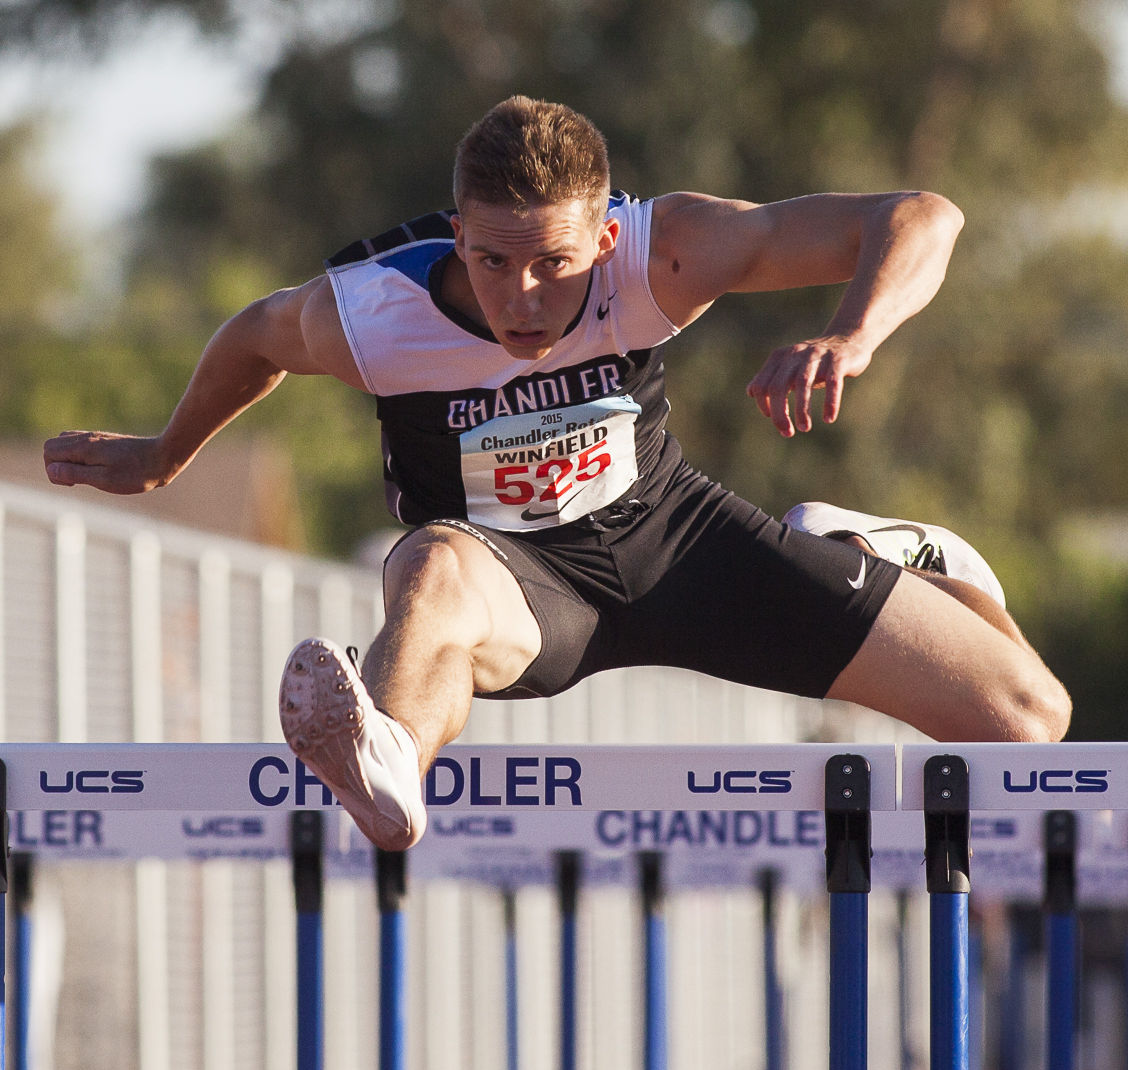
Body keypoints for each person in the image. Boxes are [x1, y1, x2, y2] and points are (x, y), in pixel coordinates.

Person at [43, 96, 1070, 851]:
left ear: (606, 237)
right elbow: (254, 337)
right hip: (517, 580)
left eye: (555, 264)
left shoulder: (663, 256)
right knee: (433, 569)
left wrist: (852, 336)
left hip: (678, 544)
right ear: (458, 235)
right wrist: (163, 453)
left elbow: (923, 215)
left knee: (1026, 721)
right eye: (493, 262)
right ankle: (388, 761)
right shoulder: (375, 314)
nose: (523, 298)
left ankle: (892, 558)